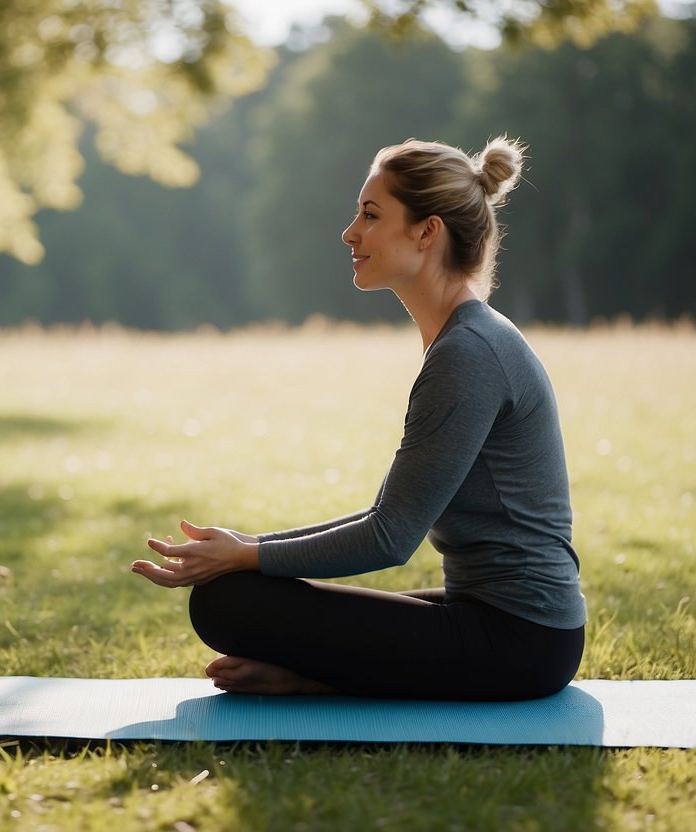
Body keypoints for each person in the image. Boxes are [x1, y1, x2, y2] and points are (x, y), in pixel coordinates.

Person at [130, 136, 586, 701]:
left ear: (427, 231)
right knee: (244, 587)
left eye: (371, 216)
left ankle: (317, 677)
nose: (350, 233)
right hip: (503, 624)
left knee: (230, 600)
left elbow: (390, 539)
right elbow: (386, 519)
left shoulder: (468, 353)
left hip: (522, 642)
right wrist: (247, 547)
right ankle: (315, 675)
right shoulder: (467, 339)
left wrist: (245, 554)